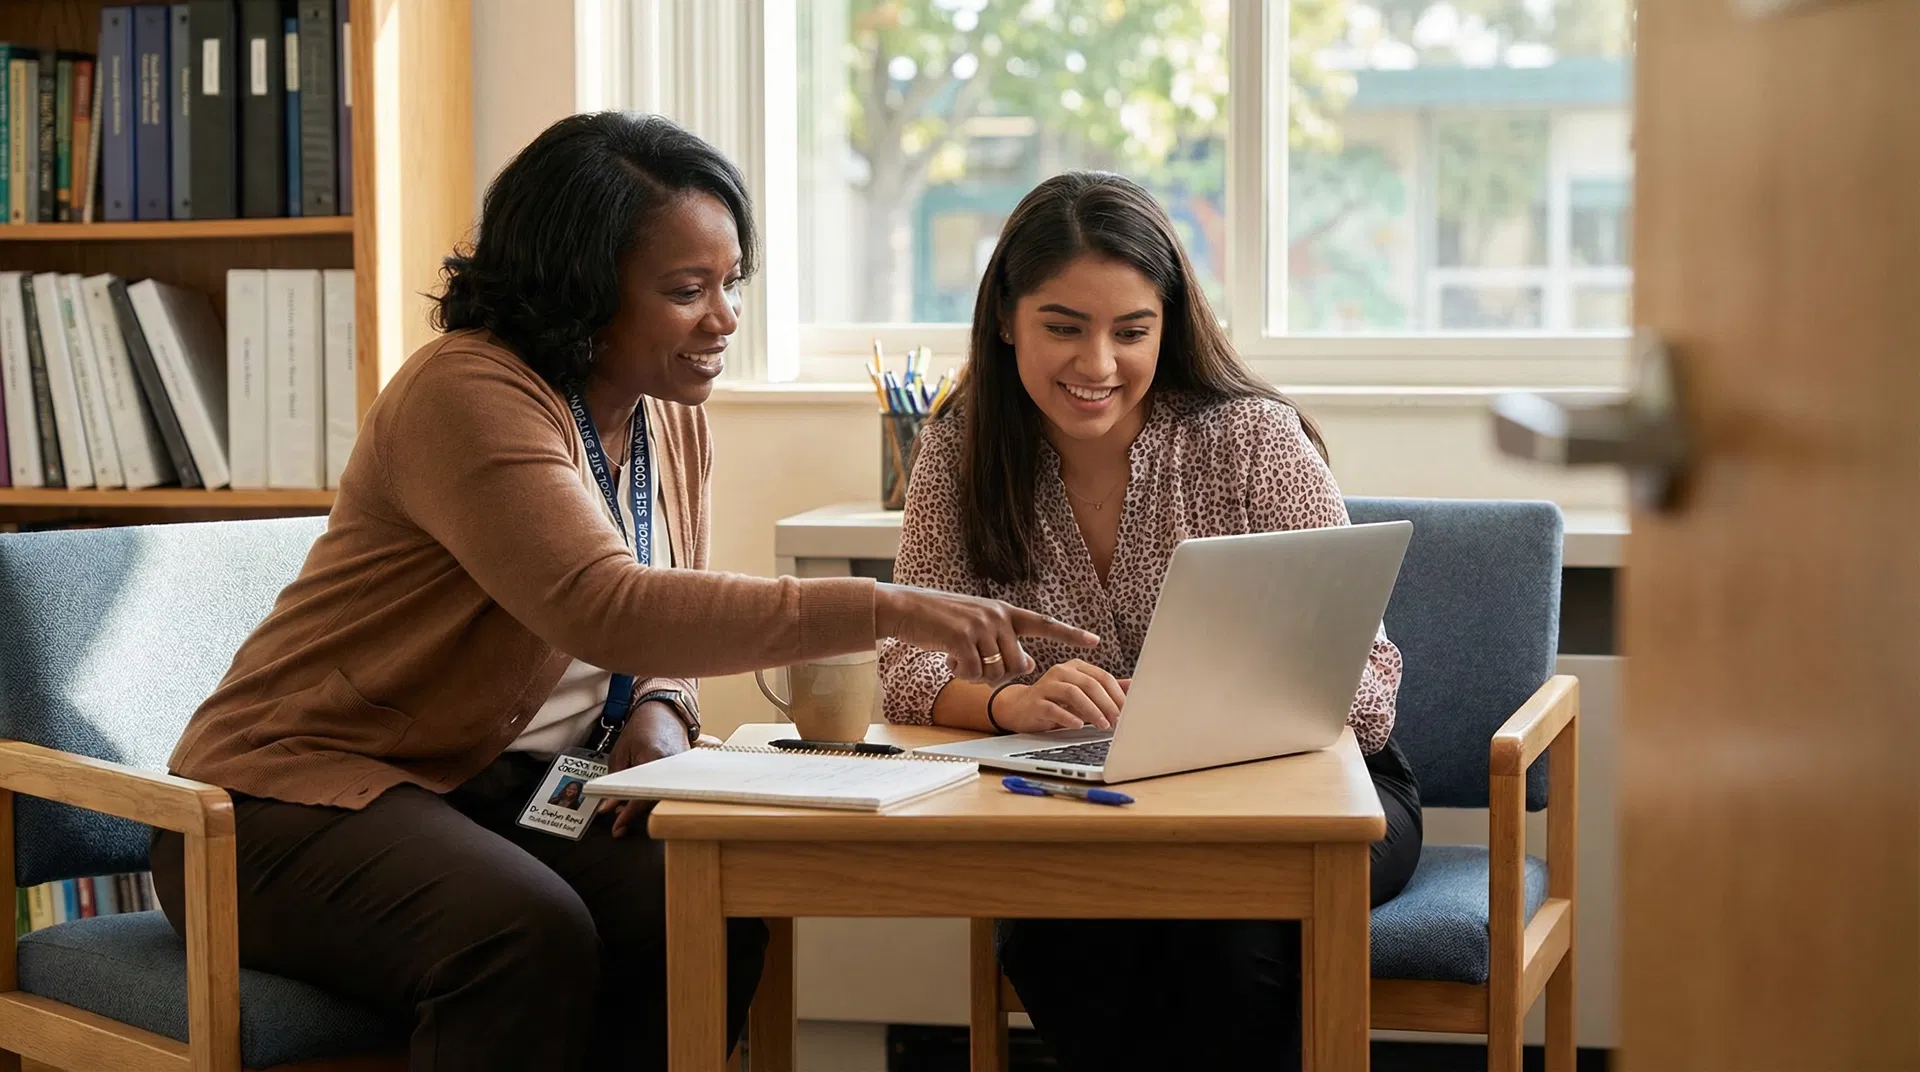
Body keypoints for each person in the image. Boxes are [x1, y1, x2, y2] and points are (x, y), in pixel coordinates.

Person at [149, 113, 1096, 1072]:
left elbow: (659, 625)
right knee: (521, 933)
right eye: (688, 291)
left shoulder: (667, 416)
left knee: (702, 908)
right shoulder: (467, 393)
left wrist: (660, 710)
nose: (723, 318)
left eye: (731, 284)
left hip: (498, 794)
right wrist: (886, 605)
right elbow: (602, 604)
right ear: (579, 291)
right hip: (286, 807)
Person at [878, 171, 1423, 1071]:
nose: (1097, 366)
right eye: (1063, 327)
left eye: (1131, 332)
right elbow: (904, 666)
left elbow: (1366, 687)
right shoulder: (957, 447)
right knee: (1062, 946)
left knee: (1229, 950)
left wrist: (1216, 717)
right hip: (1082, 808)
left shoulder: (1250, 438)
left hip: (1311, 799)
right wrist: (1011, 702)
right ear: (1007, 317)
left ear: (1168, 328)